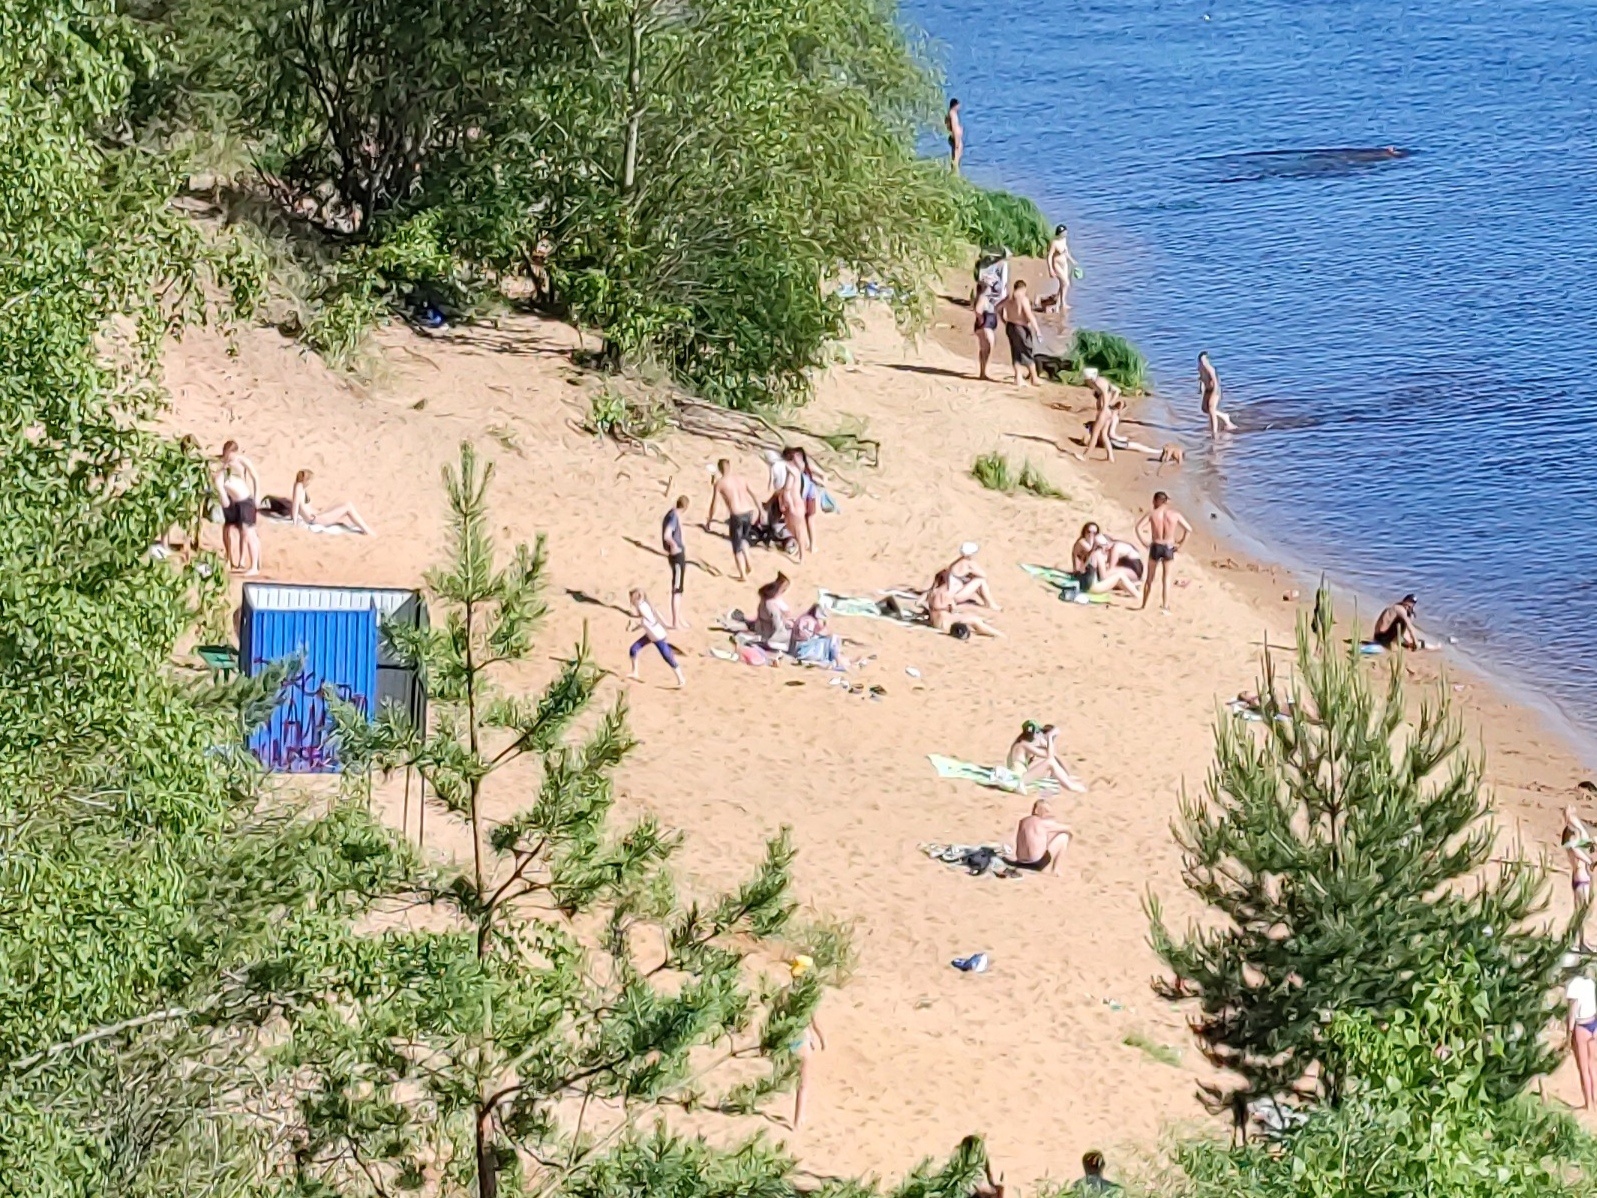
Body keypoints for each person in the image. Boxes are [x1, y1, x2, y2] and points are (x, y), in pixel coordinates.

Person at [1136, 491, 1192, 613]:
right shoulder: (1174, 515)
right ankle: (1165, 606)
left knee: (1150, 577)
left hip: (1156, 545)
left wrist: (1144, 542)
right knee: (1166, 577)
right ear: (1166, 501)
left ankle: (1144, 604)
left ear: (1156, 501)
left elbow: (1138, 528)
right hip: (1168, 546)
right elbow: (1188, 529)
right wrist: (1181, 544)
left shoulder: (1152, 514)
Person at [706, 458, 761, 581]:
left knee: (736, 544)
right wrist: (761, 510)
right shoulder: (741, 479)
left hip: (736, 514)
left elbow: (714, 504)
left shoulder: (720, 483)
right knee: (744, 538)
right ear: (730, 467)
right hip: (748, 511)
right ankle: (748, 563)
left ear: (720, 469)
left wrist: (710, 519)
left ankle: (743, 574)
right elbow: (754, 494)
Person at [787, 955, 826, 1128]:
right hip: (802, 1041)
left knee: (790, 1078)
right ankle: (798, 1119)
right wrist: (822, 1038)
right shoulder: (807, 998)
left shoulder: (786, 994)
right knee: (803, 1084)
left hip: (788, 1040)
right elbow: (813, 1020)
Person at [213, 440, 261, 575]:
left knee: (248, 532)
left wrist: (257, 495)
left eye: (231, 455)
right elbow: (218, 481)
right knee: (233, 528)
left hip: (245, 500)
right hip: (233, 501)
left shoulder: (241, 461)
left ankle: (253, 565)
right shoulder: (222, 466)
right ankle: (232, 559)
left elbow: (254, 477)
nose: (229, 458)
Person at [626, 589, 685, 688]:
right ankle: (635, 672)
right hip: (651, 634)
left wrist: (634, 626)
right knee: (633, 649)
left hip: (656, 635)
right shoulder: (643, 605)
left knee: (667, 656)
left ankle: (681, 679)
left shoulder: (642, 607)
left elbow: (646, 620)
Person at [1007, 720, 1087, 793]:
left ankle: (1067, 778)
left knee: (1047, 761)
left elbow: (1049, 755)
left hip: (1021, 776)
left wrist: (1045, 743)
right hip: (1019, 780)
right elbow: (1050, 756)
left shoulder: (1021, 744)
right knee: (1050, 762)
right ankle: (1070, 786)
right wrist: (1049, 737)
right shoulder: (1023, 745)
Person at [1070, 521, 1142, 600]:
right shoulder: (1095, 553)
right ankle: (1138, 595)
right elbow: (1103, 577)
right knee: (1120, 576)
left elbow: (1083, 568)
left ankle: (1132, 587)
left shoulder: (1092, 554)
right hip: (1091, 587)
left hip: (1083, 582)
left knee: (1117, 577)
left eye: (1094, 534)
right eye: (1089, 532)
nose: (1091, 536)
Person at [288, 470, 374, 534]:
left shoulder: (301, 488)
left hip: (317, 515)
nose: (310, 482)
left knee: (343, 504)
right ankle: (368, 531)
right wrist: (294, 523)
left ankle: (364, 527)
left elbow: (302, 506)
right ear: (305, 479)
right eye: (309, 480)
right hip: (315, 519)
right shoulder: (298, 486)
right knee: (348, 506)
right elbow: (295, 506)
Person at [1003, 799, 1071, 876]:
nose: (1048, 814)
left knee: (1039, 837)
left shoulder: (1022, 821)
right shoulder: (1043, 823)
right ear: (1038, 810)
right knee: (1064, 837)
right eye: (1046, 811)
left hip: (1021, 862)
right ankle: (1055, 869)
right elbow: (1067, 827)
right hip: (1036, 863)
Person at [928, 570, 1003, 638]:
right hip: (946, 623)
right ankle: (998, 634)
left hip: (937, 623)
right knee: (974, 620)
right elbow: (953, 609)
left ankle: (984, 621)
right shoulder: (947, 593)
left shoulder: (932, 592)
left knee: (966, 616)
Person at [997, 279, 1041, 387]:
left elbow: (997, 308)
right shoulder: (1023, 299)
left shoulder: (1008, 298)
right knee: (1027, 351)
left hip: (1010, 326)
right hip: (1021, 327)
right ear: (1023, 288)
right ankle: (1034, 378)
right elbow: (1029, 315)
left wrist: (1004, 321)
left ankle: (1018, 377)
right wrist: (1037, 330)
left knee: (1015, 352)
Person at [1568, 960, 1597, 1111]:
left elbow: (1572, 1012)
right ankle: (1596, 1099)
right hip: (1594, 1023)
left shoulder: (1574, 985)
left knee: (1584, 1068)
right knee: (1593, 1066)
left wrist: (1569, 1032)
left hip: (1582, 1026)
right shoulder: (1590, 982)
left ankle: (1589, 1104)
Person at [1565, 807, 1593, 950]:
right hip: (1581, 877)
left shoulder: (1573, 839)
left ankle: (1580, 940)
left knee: (1582, 910)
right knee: (1582, 911)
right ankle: (1578, 940)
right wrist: (1590, 861)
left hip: (1581, 877)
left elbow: (1586, 842)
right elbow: (1576, 849)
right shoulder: (1571, 840)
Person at [662, 495, 690, 629]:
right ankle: (675, 622)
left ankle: (679, 617)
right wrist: (674, 545)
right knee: (677, 589)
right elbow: (667, 535)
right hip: (677, 555)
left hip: (676, 554)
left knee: (679, 588)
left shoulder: (670, 514)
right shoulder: (674, 516)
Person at [791, 603, 848, 668]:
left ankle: (839, 659)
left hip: (797, 650)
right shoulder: (812, 621)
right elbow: (814, 634)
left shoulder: (804, 618)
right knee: (833, 638)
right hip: (805, 651)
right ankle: (838, 659)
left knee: (829, 639)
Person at [946, 541, 1000, 609]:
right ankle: (991, 604)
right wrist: (972, 570)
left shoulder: (956, 561)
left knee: (974, 580)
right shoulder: (968, 563)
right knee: (981, 581)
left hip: (951, 595)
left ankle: (988, 602)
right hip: (956, 596)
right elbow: (984, 575)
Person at [1198, 351, 1237, 436]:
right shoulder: (1200, 368)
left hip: (1214, 389)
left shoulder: (1210, 368)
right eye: (1202, 360)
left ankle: (1214, 432)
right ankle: (1225, 417)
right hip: (1207, 389)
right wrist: (1201, 387)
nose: (1204, 362)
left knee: (1211, 409)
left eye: (1205, 360)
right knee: (1205, 409)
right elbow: (1201, 378)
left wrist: (1215, 392)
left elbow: (1215, 380)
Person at [1045, 224, 1080, 310]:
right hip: (1057, 265)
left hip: (1064, 264)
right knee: (1066, 283)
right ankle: (1061, 303)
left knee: (1063, 284)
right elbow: (1049, 257)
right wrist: (1050, 269)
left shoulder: (1064, 240)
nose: (1065, 234)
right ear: (1059, 233)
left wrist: (1072, 261)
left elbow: (1066, 252)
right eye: (1063, 232)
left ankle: (1060, 302)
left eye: (1065, 232)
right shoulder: (1055, 243)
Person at [754, 573, 792, 645]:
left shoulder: (767, 600)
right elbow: (779, 625)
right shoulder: (772, 603)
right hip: (770, 633)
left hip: (762, 628)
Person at [945, 98, 964, 173]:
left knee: (956, 156)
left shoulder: (952, 113)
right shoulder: (952, 114)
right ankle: (955, 173)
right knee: (956, 157)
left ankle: (955, 172)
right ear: (955, 105)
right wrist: (957, 141)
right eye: (958, 105)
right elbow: (954, 127)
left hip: (955, 137)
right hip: (955, 138)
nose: (959, 106)